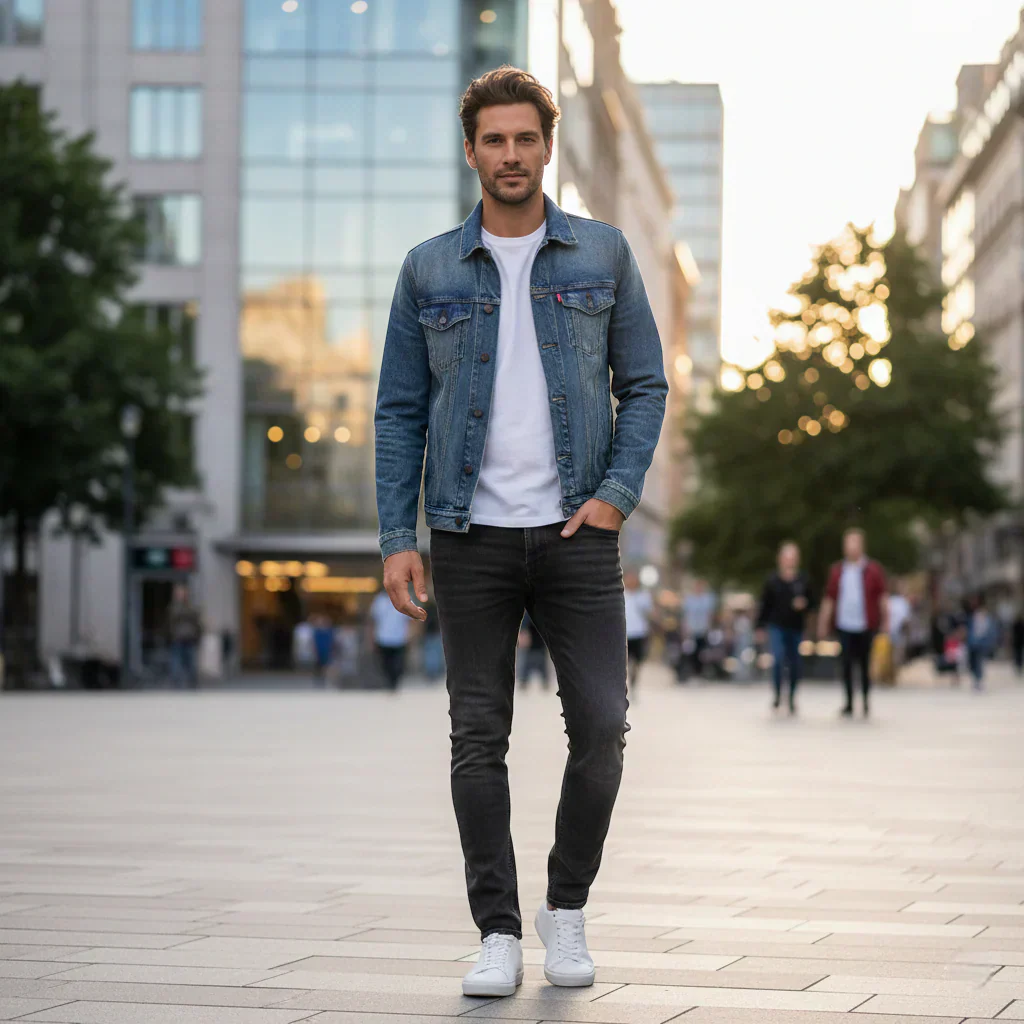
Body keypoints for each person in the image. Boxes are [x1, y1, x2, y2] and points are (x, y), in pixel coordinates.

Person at [373, 67, 667, 998]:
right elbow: (398, 411)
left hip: (579, 531)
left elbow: (646, 385)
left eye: (525, 139)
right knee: (477, 736)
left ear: (547, 146)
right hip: (469, 536)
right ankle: (497, 930)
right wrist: (397, 534)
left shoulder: (605, 255)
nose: (511, 155)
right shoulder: (428, 269)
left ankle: (565, 908)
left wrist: (617, 492)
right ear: (472, 151)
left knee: (602, 728)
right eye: (494, 141)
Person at [818, 528, 889, 717]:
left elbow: (882, 597)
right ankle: (849, 702)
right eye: (848, 543)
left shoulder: (873, 570)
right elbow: (830, 598)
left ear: (862, 545)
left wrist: (886, 620)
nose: (851, 547)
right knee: (847, 664)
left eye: (854, 543)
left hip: (866, 624)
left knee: (865, 664)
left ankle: (865, 700)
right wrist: (823, 622)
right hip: (844, 624)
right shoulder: (838, 571)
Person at [756, 540, 813, 714]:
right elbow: (764, 605)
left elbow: (813, 603)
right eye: (786, 557)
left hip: (796, 627)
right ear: (780, 559)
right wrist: (759, 626)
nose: (789, 561)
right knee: (778, 659)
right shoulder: (772, 580)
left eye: (793, 557)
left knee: (795, 662)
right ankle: (777, 695)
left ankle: (792, 697)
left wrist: (805, 604)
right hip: (776, 626)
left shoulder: (803, 580)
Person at [369, 588, 411, 691]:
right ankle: (390, 683)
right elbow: (373, 620)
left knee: (398, 664)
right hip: (383, 638)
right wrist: (371, 637)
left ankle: (395, 683)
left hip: (400, 638)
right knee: (385, 663)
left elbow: (411, 619)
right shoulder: (379, 601)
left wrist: (410, 635)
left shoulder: (405, 599)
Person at [623, 570, 653, 699]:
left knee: (637, 662)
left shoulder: (643, 596)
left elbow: (650, 613)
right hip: (625, 634)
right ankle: (624, 686)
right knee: (625, 662)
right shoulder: (621, 595)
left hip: (639, 633)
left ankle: (634, 684)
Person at [166, 584, 202, 689]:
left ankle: (192, 682)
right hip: (177, 638)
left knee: (191, 662)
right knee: (176, 662)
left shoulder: (190, 606)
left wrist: (198, 636)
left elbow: (197, 621)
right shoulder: (174, 607)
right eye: (179, 593)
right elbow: (170, 621)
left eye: (182, 593)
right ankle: (176, 682)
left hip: (190, 638)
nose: (181, 595)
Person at [681, 579, 716, 682]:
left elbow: (710, 615)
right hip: (691, 630)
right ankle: (693, 673)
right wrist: (685, 629)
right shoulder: (689, 599)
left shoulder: (707, 599)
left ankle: (701, 673)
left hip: (703, 630)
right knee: (692, 653)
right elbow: (686, 616)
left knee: (702, 652)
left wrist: (710, 628)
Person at [966, 595, 997, 691]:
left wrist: (989, 642)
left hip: (981, 643)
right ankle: (976, 679)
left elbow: (988, 630)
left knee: (979, 662)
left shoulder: (985, 616)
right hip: (972, 643)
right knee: (972, 662)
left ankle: (978, 681)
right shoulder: (970, 615)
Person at [886, 583, 912, 685]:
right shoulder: (902, 602)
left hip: (892, 631)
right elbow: (906, 620)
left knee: (893, 655)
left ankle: (891, 676)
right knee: (895, 656)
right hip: (896, 632)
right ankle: (892, 676)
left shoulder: (890, 601)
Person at [517, 612, 549, 689]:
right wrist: (523, 631)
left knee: (541, 661)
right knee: (527, 661)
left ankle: (544, 681)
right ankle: (524, 681)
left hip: (540, 642)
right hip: (530, 644)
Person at [311, 614, 334, 686]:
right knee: (318, 665)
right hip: (319, 651)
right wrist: (314, 650)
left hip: (326, 651)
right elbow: (314, 642)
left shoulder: (329, 631)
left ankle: (325, 678)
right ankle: (318, 678)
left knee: (326, 665)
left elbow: (331, 642)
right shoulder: (317, 631)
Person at [1013, 606, 1024, 678]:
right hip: (1017, 641)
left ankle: (1019, 666)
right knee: (1018, 654)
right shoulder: (1016, 624)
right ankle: (1018, 666)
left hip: (1020, 641)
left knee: (1019, 654)